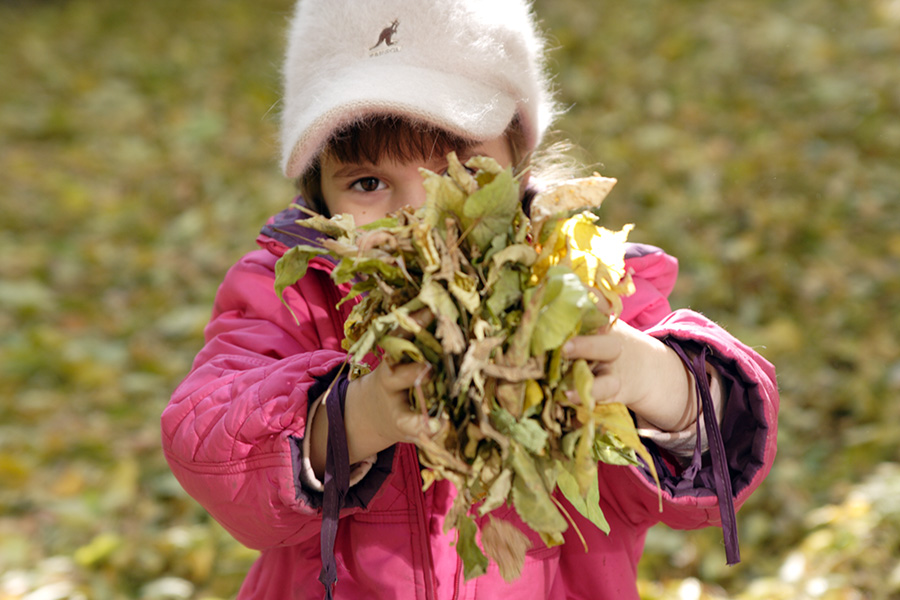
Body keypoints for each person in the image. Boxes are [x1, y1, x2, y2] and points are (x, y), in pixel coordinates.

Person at [160, 0, 779, 598]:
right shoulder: (295, 290)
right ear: (319, 195)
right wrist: (354, 418)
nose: (417, 209)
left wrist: (651, 376)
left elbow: (724, 453)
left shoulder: (583, 286)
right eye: (368, 183)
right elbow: (208, 443)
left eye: (458, 168)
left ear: (517, 161)